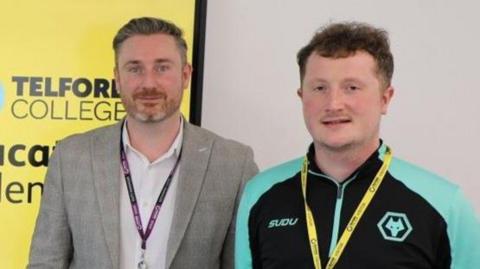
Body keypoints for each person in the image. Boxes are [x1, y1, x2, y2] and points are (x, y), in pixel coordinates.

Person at [235, 22, 480, 269]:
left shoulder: (445, 204)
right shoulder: (259, 194)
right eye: (320, 88)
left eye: (351, 88)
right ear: (302, 97)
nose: (333, 103)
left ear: (385, 98)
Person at [28, 17, 258, 269]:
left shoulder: (234, 165)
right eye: (135, 68)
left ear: (185, 75)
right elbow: (45, 261)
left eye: (162, 68)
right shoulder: (71, 157)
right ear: (117, 78)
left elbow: (241, 264)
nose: (149, 83)